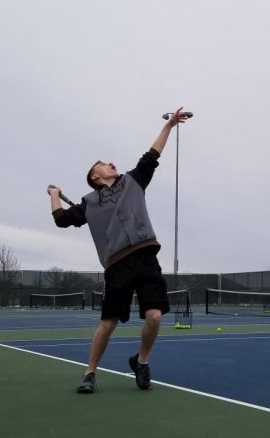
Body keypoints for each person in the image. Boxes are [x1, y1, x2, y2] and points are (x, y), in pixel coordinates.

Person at [49, 107, 190, 394]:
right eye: (102, 163)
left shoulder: (134, 181)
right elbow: (61, 220)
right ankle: (90, 373)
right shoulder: (88, 203)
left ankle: (141, 361)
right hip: (117, 265)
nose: (110, 163)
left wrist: (170, 126)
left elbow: (152, 154)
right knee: (108, 323)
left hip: (145, 256)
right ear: (95, 177)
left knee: (155, 316)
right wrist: (54, 197)